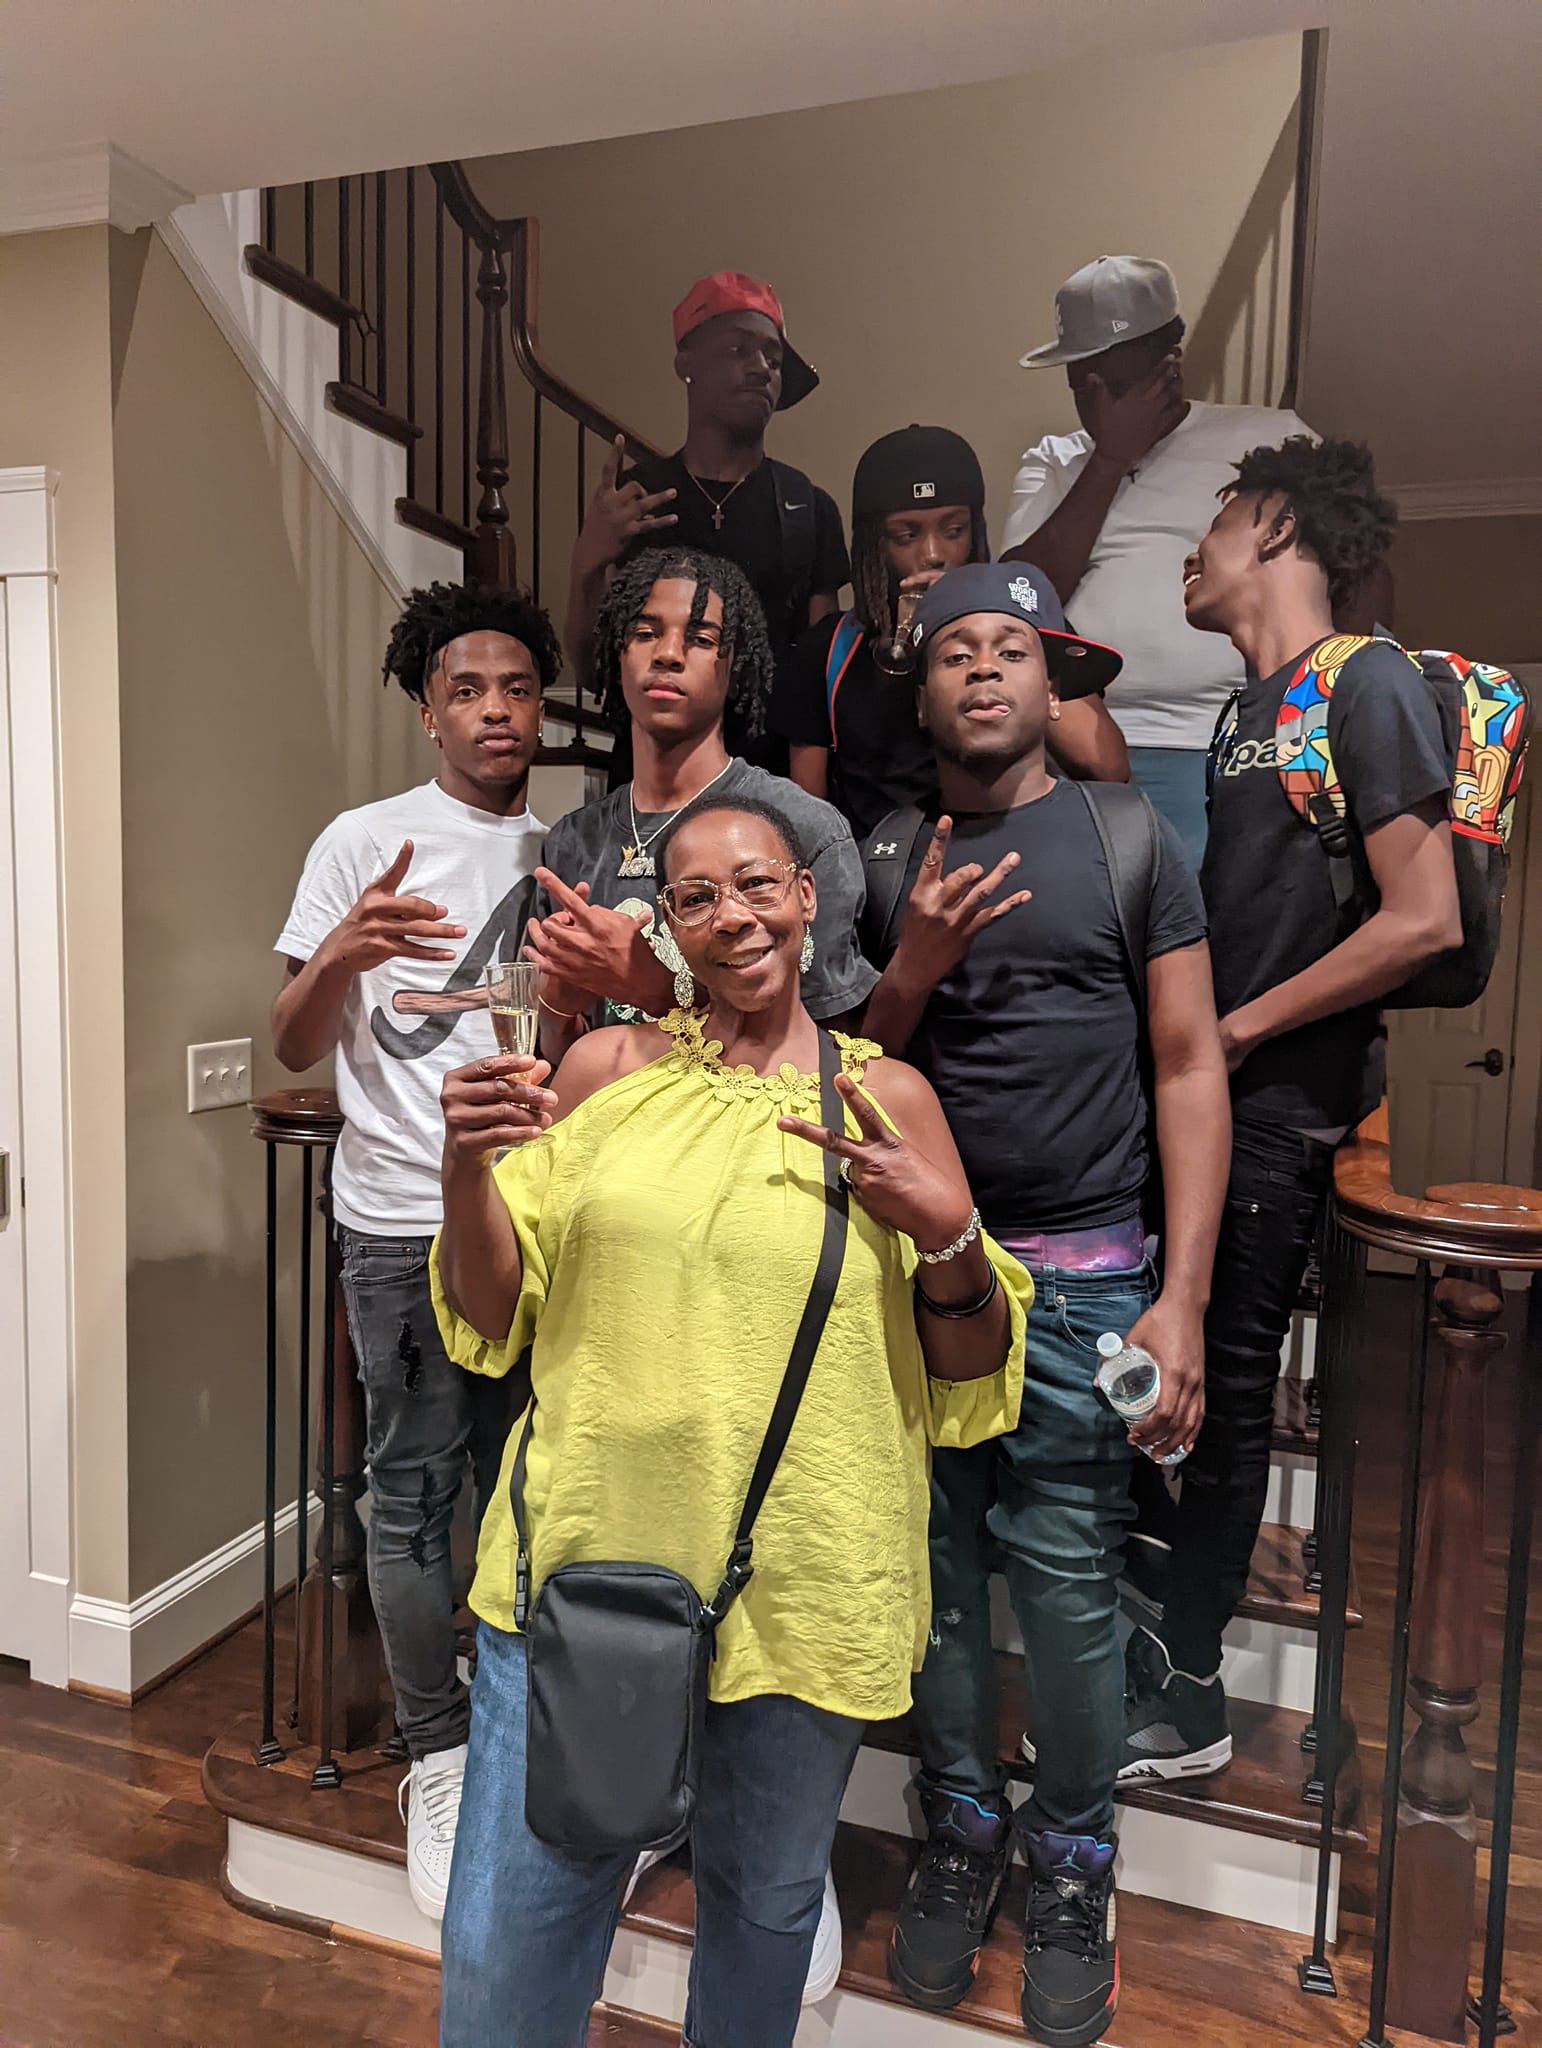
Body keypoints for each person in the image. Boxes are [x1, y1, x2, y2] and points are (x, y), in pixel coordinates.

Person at [431, 793, 1031, 2048]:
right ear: (668, 923)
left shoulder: (886, 1098)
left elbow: (968, 1371)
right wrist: (465, 1167)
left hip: (800, 1585)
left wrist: (947, 1231)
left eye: (758, 882)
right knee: (511, 1938)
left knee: (761, 1922)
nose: (733, 915)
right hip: (584, 1566)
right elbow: (494, 1311)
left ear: (808, 895)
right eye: (696, 895)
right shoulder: (603, 1072)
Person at [860, 562, 1230, 2047]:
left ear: (1048, 678)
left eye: (1009, 647)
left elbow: (1188, 1062)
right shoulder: (887, 854)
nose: (982, 669)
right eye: (955, 649)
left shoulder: (1127, 835)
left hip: (1087, 1285)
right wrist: (912, 965)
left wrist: (1181, 1297)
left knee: (1067, 1581)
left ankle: (1075, 1855)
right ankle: (959, 1822)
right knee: (939, 1576)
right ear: (925, 690)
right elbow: (853, 1069)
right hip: (923, 1273)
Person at [1119, 438, 1461, 1780]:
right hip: (1214, 1096)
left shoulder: (1364, 681)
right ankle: (1159, 1624)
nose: (1189, 556)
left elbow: (1422, 919)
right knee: (1170, 1373)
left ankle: (1193, 1695)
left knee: (1229, 1385)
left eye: (1210, 527)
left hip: (1281, 1109)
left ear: (1269, 528)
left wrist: (1239, 1027)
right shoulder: (1241, 710)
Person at [271, 582, 562, 1920]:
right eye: (466, 689)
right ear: (427, 710)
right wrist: (340, 952)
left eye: (518, 687)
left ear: (542, 708)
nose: (496, 709)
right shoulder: (361, 841)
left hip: (541, 1222)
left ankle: (515, 1724)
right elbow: (290, 1037)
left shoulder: (567, 846)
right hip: (397, 1221)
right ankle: (435, 1752)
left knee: (533, 1485)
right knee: (409, 1488)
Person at [1001, 254, 1313, 869]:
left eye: (1115, 384)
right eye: (1082, 383)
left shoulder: (1269, 439)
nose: (1096, 400)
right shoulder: (1055, 460)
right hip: (1084, 750)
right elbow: (1023, 597)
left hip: (1236, 739)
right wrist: (1110, 458)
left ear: (1171, 359)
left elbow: (1354, 577)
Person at [526, 545, 878, 1063]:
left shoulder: (802, 827)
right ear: (617, 655)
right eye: (645, 633)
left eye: (701, 638)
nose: (668, 654)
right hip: (610, 1112)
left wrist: (654, 987)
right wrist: (558, 1008)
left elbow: (833, 1046)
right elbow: (557, 1059)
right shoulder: (572, 842)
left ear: (734, 667)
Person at [773, 425, 1129, 839]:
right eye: (907, 535)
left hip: (1014, 852)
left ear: (975, 531)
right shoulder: (829, 649)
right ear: (874, 544)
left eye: (953, 531)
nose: (933, 554)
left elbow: (1108, 767)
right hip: (881, 867)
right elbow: (810, 823)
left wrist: (986, 625)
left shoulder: (1024, 629)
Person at [565, 271, 849, 774]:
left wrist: (808, 807)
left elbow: (818, 689)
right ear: (687, 364)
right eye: (738, 350)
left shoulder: (806, 507)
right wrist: (587, 563)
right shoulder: (636, 501)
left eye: (773, 359)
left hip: (768, 782)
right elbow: (594, 673)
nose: (761, 368)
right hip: (649, 780)